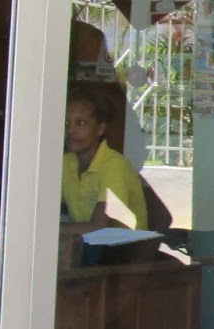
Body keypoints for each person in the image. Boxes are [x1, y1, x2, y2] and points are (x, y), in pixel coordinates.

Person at [62, 86, 149, 228]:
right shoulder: (67, 162)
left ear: (100, 129)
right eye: (67, 123)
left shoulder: (114, 165)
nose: (71, 131)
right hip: (85, 241)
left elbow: (99, 227)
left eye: (80, 123)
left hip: (121, 243)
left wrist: (52, 230)